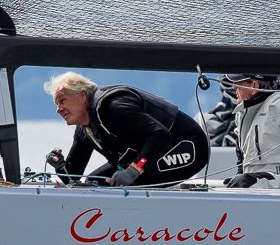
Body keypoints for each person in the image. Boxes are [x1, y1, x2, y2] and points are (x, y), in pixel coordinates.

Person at [44, 72, 209, 188]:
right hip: (150, 153)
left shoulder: (114, 107)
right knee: (94, 183)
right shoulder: (84, 129)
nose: (58, 109)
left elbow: (160, 136)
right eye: (56, 104)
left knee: (122, 182)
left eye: (62, 100)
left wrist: (134, 170)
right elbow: (72, 177)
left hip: (188, 145)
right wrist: (59, 164)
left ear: (81, 95)